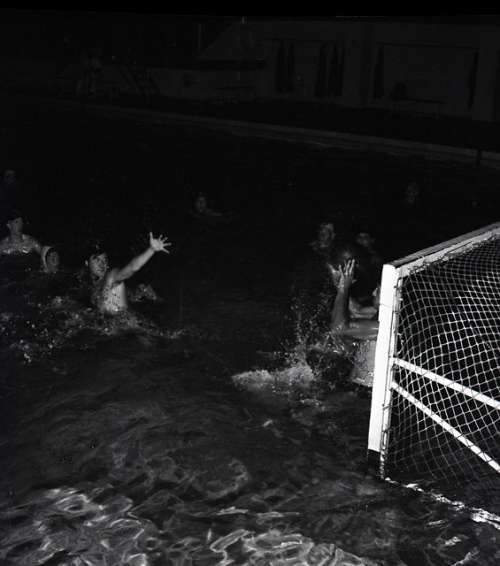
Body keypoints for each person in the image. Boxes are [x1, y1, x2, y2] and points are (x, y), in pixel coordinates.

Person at [88, 232, 171, 315]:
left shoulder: (111, 277)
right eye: (97, 260)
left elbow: (131, 268)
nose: (101, 264)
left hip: (127, 322)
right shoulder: (92, 286)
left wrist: (151, 250)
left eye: (104, 260)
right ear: (87, 263)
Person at [329, 258, 380, 387]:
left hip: (368, 392)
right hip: (357, 387)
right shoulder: (379, 312)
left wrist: (343, 288)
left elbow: (339, 329)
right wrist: (340, 283)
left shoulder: (384, 326)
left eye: (378, 290)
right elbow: (356, 311)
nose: (373, 293)